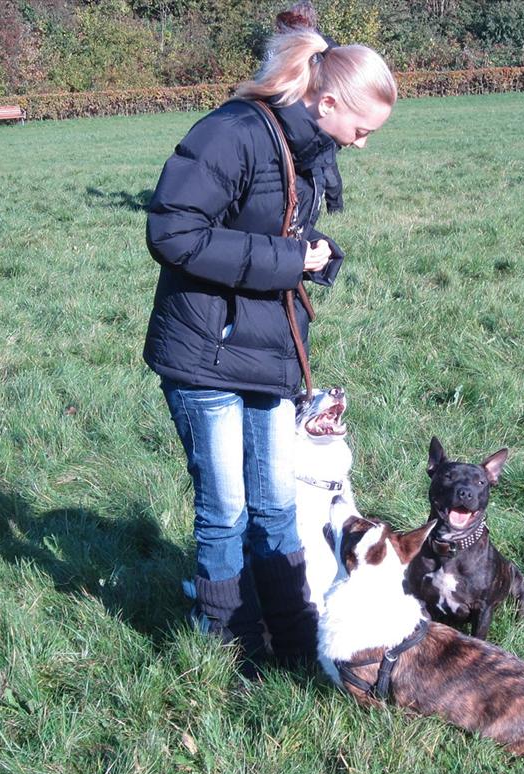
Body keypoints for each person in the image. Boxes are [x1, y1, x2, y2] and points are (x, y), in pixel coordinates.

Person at [142, 5, 396, 673]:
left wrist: (316, 252)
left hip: (268, 348)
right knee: (226, 510)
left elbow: (274, 229)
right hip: (206, 350)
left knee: (277, 509)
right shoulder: (231, 132)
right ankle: (232, 649)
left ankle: (295, 644)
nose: (363, 144)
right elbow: (172, 234)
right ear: (329, 99)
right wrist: (290, 262)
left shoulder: (310, 148)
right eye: (362, 129)